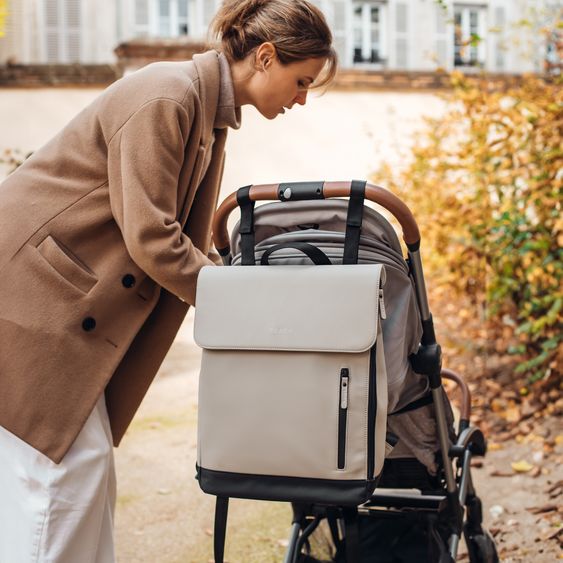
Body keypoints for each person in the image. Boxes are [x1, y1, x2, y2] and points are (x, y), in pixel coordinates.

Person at [0, 0, 337, 560]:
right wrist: (245, 302)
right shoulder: (169, 95)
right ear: (266, 56)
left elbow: (186, 233)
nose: (301, 99)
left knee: (80, 474)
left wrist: (235, 280)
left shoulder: (205, 111)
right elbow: (153, 237)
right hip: (34, 298)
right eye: (301, 82)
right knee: (59, 477)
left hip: (57, 295)